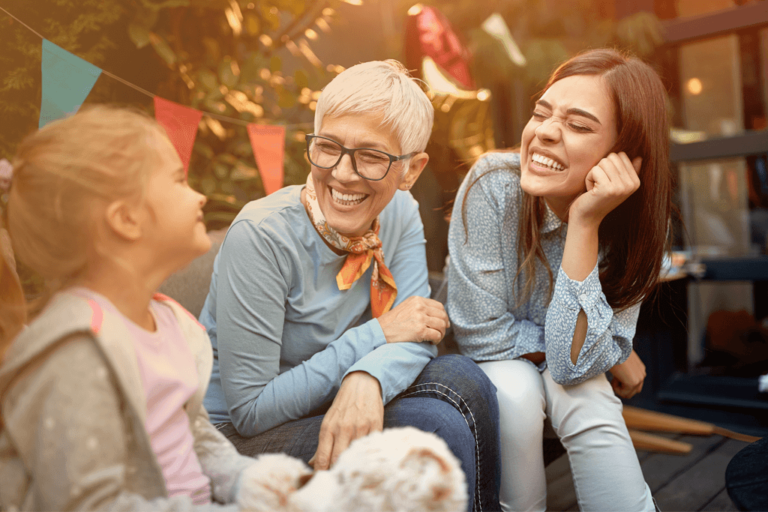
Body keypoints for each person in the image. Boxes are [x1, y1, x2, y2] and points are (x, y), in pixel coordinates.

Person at [200, 60, 501, 512]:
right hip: (236, 441)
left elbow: (416, 332)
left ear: (411, 171)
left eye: (372, 156)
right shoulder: (261, 237)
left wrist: (369, 379)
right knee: (433, 425)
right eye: (329, 147)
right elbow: (250, 411)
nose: (342, 173)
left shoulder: (399, 212)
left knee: (466, 378)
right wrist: (377, 337)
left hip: (322, 402)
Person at [0, 106, 265, 511]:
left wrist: (253, 484)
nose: (200, 195)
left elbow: (191, 432)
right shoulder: (77, 350)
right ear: (126, 219)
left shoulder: (170, 322)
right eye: (179, 180)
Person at [447, 48, 673, 512]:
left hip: (559, 367)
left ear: (626, 158)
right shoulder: (493, 184)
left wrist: (585, 223)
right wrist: (611, 352)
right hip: (478, 366)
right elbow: (479, 333)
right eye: (541, 113)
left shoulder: (642, 226)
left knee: (585, 392)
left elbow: (573, 367)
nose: (544, 133)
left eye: (579, 125)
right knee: (517, 391)